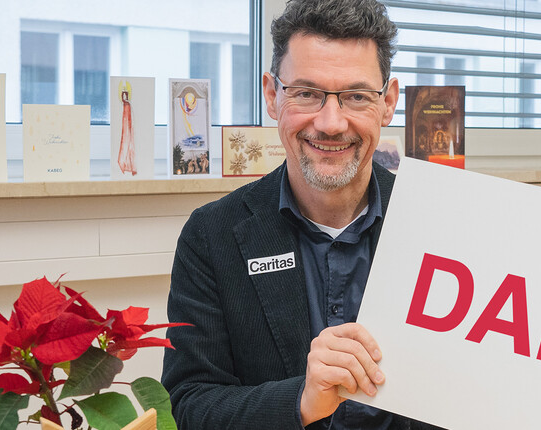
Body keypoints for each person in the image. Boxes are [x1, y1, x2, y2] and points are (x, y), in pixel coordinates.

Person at [162, 0, 442, 428]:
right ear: (273, 96)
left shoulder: (440, 225)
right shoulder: (212, 236)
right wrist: (301, 400)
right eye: (307, 94)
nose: (331, 123)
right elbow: (192, 404)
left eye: (356, 96)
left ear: (388, 102)